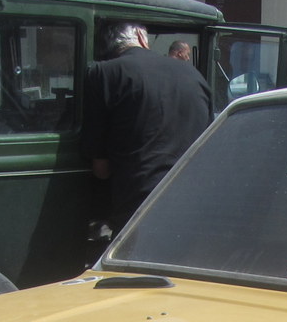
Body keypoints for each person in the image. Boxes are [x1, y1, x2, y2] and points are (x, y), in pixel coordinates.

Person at [82, 22, 212, 232]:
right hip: (191, 203)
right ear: (142, 38)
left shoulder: (102, 73)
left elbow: (101, 169)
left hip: (138, 206)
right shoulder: (194, 75)